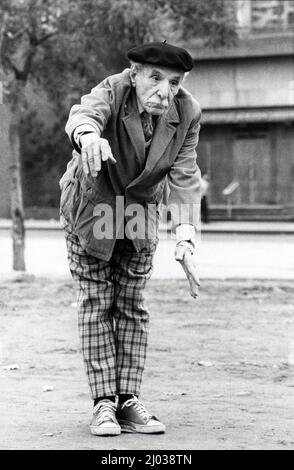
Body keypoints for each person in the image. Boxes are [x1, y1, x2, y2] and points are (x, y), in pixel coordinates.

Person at [59, 41, 202, 436]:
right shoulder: (114, 89)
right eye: (155, 78)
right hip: (95, 204)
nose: (164, 91)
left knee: (132, 304)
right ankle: (102, 403)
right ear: (136, 73)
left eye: (174, 83)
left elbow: (185, 173)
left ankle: (127, 401)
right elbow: (84, 115)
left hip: (139, 209)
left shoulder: (188, 111)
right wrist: (89, 138)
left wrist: (185, 238)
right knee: (97, 302)